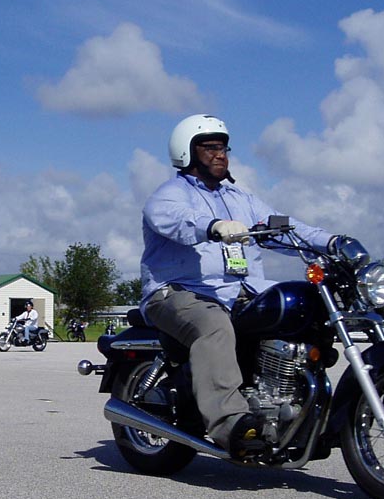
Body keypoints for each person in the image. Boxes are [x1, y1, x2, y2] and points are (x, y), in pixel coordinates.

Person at [139, 114, 340, 458]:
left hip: (241, 293)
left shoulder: (241, 199)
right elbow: (176, 220)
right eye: (210, 147)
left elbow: (283, 229)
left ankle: (300, 412)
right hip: (178, 292)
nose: (220, 154)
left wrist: (332, 243)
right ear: (187, 152)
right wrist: (213, 226)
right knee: (214, 326)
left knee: (302, 309)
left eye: (224, 147)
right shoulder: (171, 195)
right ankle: (231, 424)